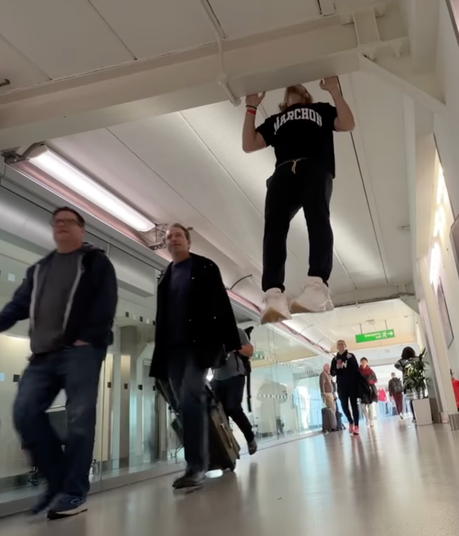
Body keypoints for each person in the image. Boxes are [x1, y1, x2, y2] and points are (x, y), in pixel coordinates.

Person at [0, 207, 117, 519]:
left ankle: (75, 491)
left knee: (79, 419)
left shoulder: (94, 262)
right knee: (24, 413)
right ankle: (57, 482)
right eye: (57, 222)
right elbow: (19, 304)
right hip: (43, 355)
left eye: (69, 222)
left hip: (81, 351)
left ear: (82, 229)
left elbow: (106, 301)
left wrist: (88, 337)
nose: (61, 226)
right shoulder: (40, 268)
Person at [242, 77, 356, 324]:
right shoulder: (275, 121)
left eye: (303, 88)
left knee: (317, 219)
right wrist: (251, 107)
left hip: (315, 167)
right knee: (273, 228)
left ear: (307, 96)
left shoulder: (320, 110)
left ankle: (316, 285)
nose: (296, 87)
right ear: (283, 101)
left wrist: (335, 91)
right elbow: (249, 144)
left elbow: (347, 123)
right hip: (283, 172)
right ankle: (273, 293)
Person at [149, 224, 241, 490]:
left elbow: (221, 303)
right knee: (186, 405)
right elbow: (163, 318)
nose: (173, 239)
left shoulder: (205, 267)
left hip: (199, 346)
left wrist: (230, 342)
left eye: (178, 235)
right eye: (168, 238)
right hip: (173, 350)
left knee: (190, 397)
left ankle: (196, 467)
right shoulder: (165, 276)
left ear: (188, 241)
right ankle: (220, 455)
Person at [210, 326, 258, 456]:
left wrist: (234, 346)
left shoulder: (237, 332)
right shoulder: (211, 333)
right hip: (217, 378)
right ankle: (228, 450)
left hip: (235, 375)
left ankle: (250, 438)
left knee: (232, 407)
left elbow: (250, 351)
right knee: (218, 414)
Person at [330, 340, 361, 435]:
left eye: (342, 344)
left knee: (354, 405)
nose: (340, 345)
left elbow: (356, 369)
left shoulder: (351, 356)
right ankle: (350, 421)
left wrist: (346, 366)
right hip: (341, 385)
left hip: (352, 385)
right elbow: (332, 373)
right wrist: (337, 368)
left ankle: (356, 425)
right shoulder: (335, 359)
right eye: (338, 344)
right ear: (337, 347)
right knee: (344, 405)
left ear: (345, 345)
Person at [359, 358, 378, 428]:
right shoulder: (358, 370)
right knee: (363, 406)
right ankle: (367, 419)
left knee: (370, 406)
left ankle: (371, 420)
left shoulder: (370, 371)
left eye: (365, 362)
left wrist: (370, 382)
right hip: (361, 390)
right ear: (360, 362)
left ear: (367, 362)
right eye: (362, 362)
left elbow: (375, 379)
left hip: (369, 390)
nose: (363, 363)